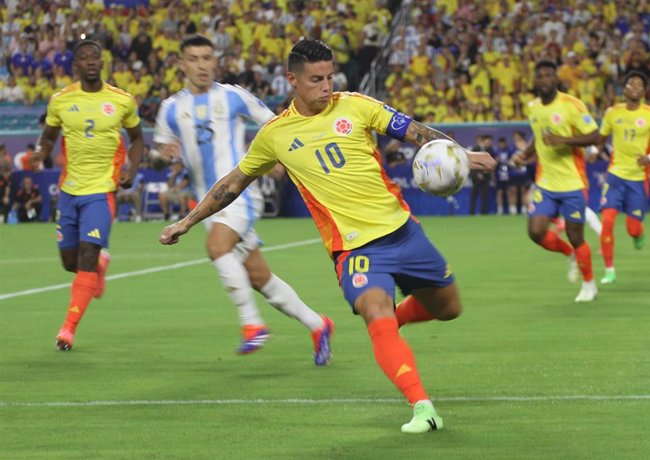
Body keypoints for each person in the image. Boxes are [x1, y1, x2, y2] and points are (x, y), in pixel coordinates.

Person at [160, 39, 496, 434]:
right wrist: (188, 221)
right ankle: (422, 407)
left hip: (403, 232)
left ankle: (394, 321)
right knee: (375, 312)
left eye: (329, 77)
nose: (325, 86)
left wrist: (459, 152)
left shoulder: (356, 105)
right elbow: (233, 182)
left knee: (449, 308)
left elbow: (414, 131)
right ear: (292, 80)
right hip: (353, 248)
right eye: (315, 79)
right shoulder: (275, 134)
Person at [153, 35, 334, 363]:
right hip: (207, 206)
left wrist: (279, 159)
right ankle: (318, 324)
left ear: (215, 61)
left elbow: (275, 125)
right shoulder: (169, 110)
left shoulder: (233, 97)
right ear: (181, 64)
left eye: (207, 57)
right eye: (194, 58)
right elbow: (156, 155)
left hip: (239, 193)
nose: (202, 65)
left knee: (217, 248)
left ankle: (252, 325)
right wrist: (162, 155)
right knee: (260, 278)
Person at [36, 40, 145, 351]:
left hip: (101, 192)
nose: (91, 62)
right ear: (76, 65)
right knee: (70, 262)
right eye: (84, 58)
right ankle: (99, 265)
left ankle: (67, 329)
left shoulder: (122, 100)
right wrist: (39, 153)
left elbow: (137, 139)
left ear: (102, 62)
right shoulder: (60, 101)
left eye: (95, 57)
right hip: (69, 192)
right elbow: (48, 137)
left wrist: (132, 169)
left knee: (86, 255)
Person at [512, 60, 599, 302]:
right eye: (539, 76)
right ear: (535, 81)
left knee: (576, 235)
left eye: (549, 75)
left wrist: (564, 140)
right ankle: (569, 253)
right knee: (535, 231)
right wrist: (524, 155)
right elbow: (538, 139)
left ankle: (589, 284)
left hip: (573, 183)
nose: (544, 80)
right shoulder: (533, 108)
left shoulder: (572, 105)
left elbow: (595, 135)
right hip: (546, 183)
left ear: (555, 79)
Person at [592, 71, 650, 284]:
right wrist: (593, 150)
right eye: (630, 83)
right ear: (624, 88)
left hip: (638, 178)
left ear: (644, 91)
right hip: (615, 175)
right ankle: (609, 270)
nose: (635, 87)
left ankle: (638, 233)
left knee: (632, 228)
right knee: (607, 220)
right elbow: (600, 138)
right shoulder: (612, 112)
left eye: (639, 85)